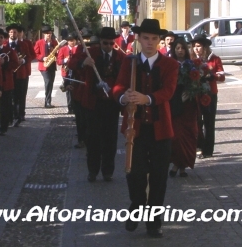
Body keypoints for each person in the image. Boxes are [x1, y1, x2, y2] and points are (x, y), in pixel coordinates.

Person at [113, 19, 178, 238]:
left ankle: (154, 221)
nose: (150, 43)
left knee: (159, 177)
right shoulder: (129, 62)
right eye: (145, 38)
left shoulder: (170, 65)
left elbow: (167, 92)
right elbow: (119, 86)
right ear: (138, 39)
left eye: (154, 39)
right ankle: (137, 206)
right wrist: (124, 96)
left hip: (161, 129)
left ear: (159, 41)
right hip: (136, 129)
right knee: (135, 173)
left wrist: (146, 98)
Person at [71, 27, 125, 182]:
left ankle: (108, 171)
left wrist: (116, 90)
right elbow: (73, 63)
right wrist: (83, 62)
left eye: (110, 43)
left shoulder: (119, 57)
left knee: (110, 139)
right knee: (93, 138)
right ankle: (92, 171)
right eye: (104, 43)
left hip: (111, 104)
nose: (107, 46)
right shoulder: (91, 53)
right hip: (93, 103)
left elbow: (124, 78)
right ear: (100, 42)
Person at [168, 37, 199, 178]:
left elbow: (196, 82)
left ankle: (183, 166)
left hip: (188, 104)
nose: (180, 51)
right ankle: (175, 163)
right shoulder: (169, 64)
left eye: (182, 48)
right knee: (175, 135)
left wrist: (191, 92)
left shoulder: (191, 64)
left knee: (188, 134)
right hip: (174, 102)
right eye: (177, 48)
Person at [192, 36, 225, 158]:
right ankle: (198, 146)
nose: (196, 49)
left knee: (209, 122)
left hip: (210, 93)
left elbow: (222, 76)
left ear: (205, 47)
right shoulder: (192, 59)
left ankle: (208, 150)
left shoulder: (214, 59)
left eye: (199, 46)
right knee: (196, 121)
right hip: (195, 93)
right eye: (194, 46)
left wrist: (212, 75)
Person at [0, 28, 18, 135]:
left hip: (6, 81)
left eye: (1, 37)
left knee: (5, 106)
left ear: (4, 39)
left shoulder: (9, 50)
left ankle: (3, 127)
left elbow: (15, 64)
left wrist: (4, 64)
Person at [7, 24, 31, 126]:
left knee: (20, 95)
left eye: (15, 32)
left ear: (18, 33)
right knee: (9, 96)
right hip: (8, 74)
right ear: (8, 33)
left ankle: (20, 114)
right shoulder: (5, 44)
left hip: (21, 74)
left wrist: (23, 60)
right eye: (11, 32)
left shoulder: (23, 44)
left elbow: (30, 56)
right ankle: (11, 114)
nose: (13, 34)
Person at [35, 25, 59, 108]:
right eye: (47, 33)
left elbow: (57, 53)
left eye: (50, 33)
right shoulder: (39, 42)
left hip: (52, 65)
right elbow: (36, 54)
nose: (49, 35)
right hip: (44, 66)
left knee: (51, 83)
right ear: (44, 34)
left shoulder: (54, 42)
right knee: (48, 81)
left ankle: (48, 102)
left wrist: (56, 54)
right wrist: (42, 58)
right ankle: (47, 102)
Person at [57, 34, 77, 114]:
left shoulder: (77, 48)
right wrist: (65, 60)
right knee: (68, 89)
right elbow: (58, 61)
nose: (72, 42)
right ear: (68, 42)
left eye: (73, 40)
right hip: (66, 72)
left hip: (75, 71)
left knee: (75, 88)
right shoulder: (63, 49)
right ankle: (70, 107)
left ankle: (75, 106)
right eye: (70, 41)